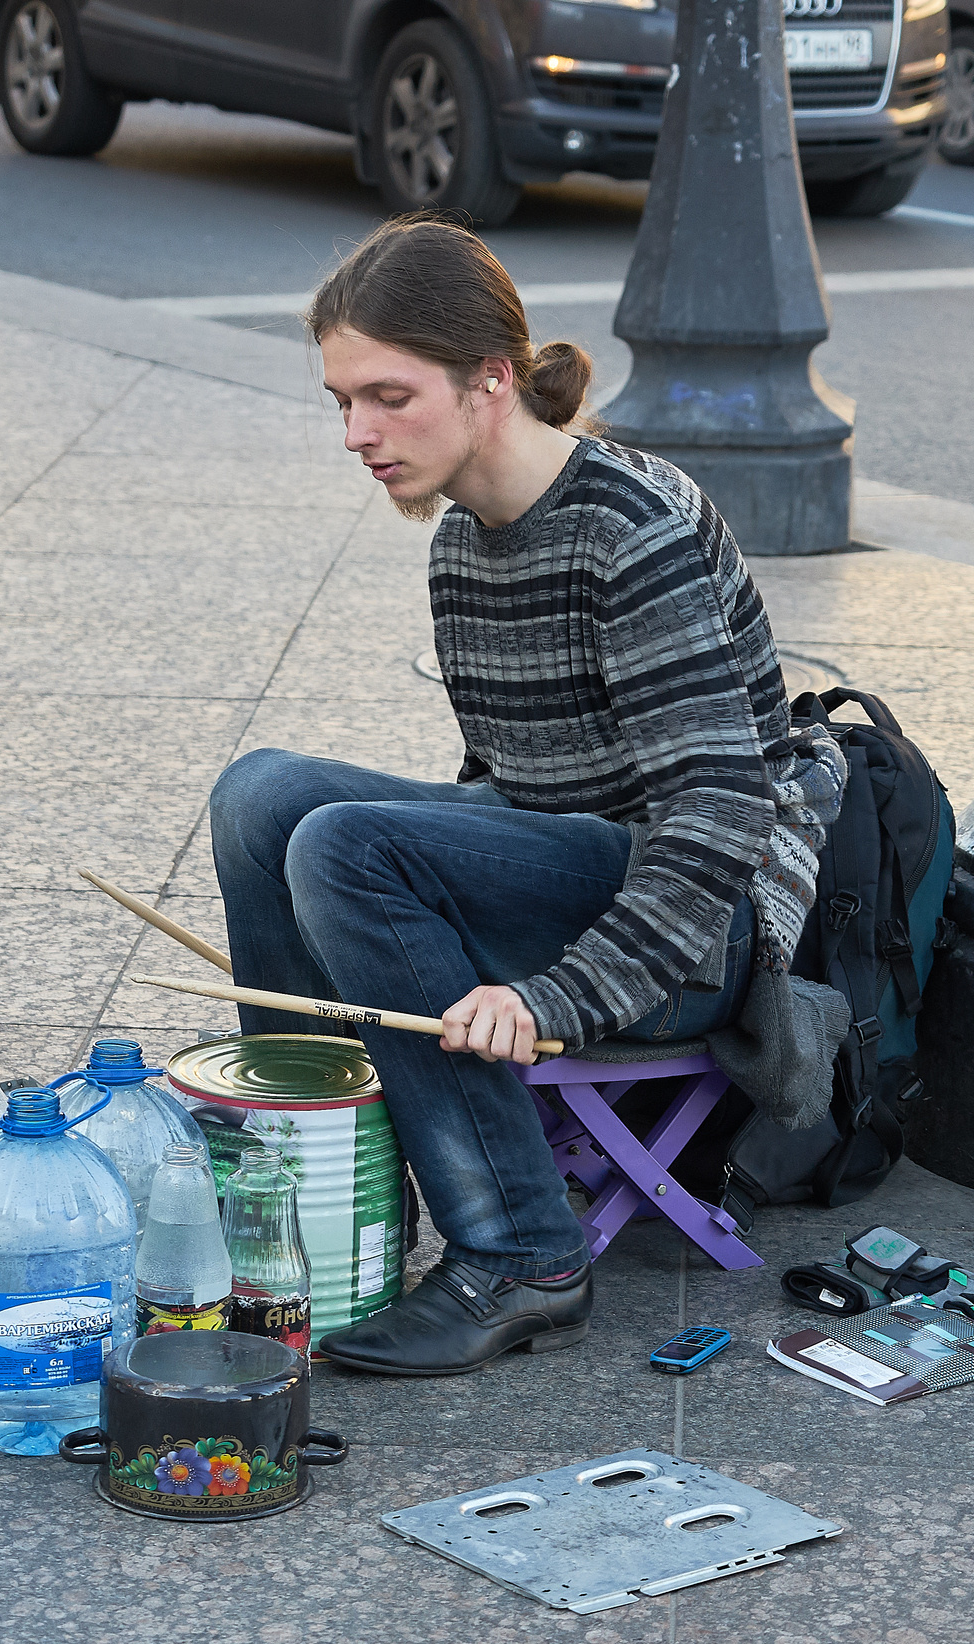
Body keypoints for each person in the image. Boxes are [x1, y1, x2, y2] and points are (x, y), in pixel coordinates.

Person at [208, 215, 847, 1379]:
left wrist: (551, 993)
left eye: (387, 397)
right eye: (341, 401)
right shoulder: (463, 543)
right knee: (263, 798)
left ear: (490, 381)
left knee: (343, 850)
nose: (356, 434)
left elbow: (715, 827)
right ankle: (305, 1185)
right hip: (569, 857)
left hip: (692, 933)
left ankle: (521, 1255)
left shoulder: (629, 530)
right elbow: (499, 785)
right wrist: (445, 905)